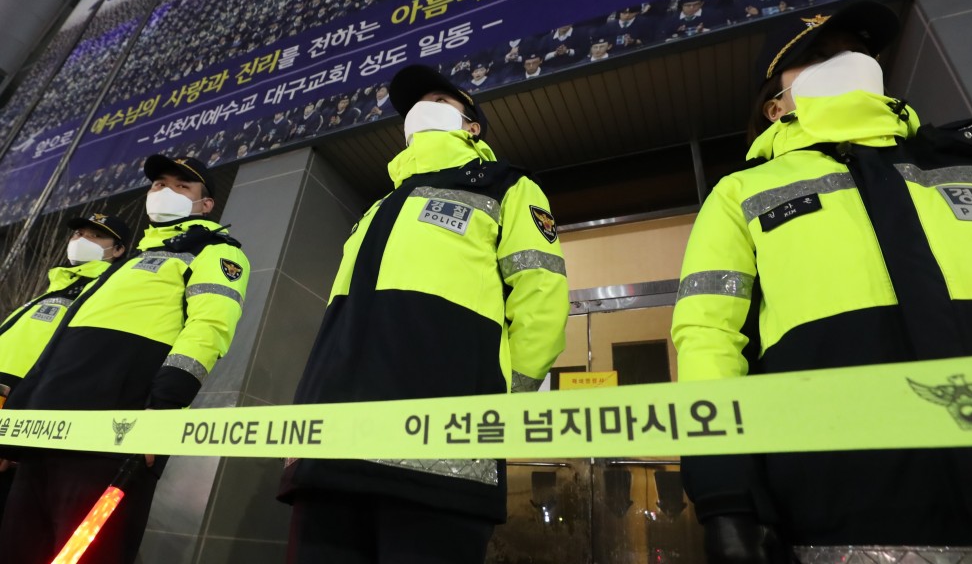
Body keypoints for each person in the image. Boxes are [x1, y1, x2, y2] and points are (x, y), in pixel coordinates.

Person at [671, 1, 972, 563]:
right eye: (812, 56)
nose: (845, 58)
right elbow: (708, 341)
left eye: (852, 47)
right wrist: (727, 495)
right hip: (844, 499)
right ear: (773, 105)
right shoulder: (742, 192)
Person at [280, 64, 569, 564]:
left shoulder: (506, 186)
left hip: (443, 460)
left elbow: (542, 298)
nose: (421, 107)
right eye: (415, 103)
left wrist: (498, 404)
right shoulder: (379, 208)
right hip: (332, 455)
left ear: (473, 125)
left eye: (439, 98)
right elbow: (339, 326)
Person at [0, 155, 249, 564]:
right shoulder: (125, 264)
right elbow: (58, 346)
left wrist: (164, 409)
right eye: (157, 184)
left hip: (111, 437)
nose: (164, 192)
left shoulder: (215, 252)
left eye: (182, 186)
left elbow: (210, 328)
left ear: (206, 205)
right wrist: (21, 417)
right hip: (43, 436)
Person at [0, 212, 130, 526]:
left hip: (20, 407)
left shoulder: (106, 293)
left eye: (95, 236)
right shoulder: (56, 286)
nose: (81, 241)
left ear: (118, 250)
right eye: (78, 234)